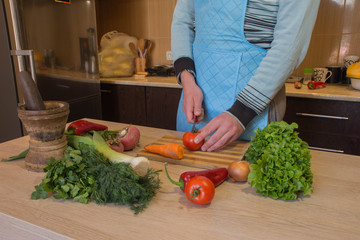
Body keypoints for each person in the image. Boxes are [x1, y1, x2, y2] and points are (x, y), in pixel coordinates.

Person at [171, 0, 320, 152]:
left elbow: (290, 45)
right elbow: (182, 22)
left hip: (252, 112)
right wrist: (187, 79)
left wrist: (242, 111)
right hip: (193, 103)